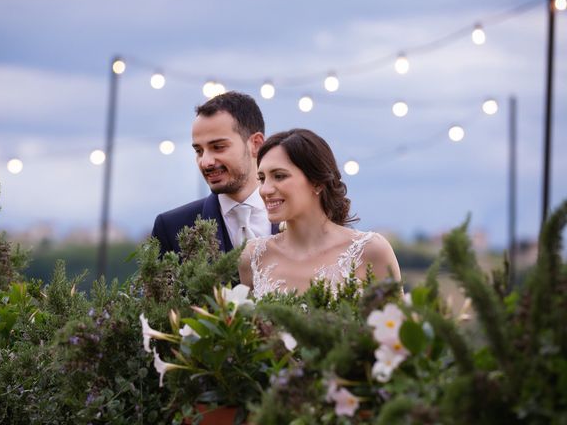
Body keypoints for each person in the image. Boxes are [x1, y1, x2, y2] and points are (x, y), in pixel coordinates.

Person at [239, 128, 401, 299]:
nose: (265, 190)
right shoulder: (253, 256)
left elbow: (396, 322)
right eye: (262, 178)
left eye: (279, 176)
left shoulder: (371, 251)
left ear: (317, 183)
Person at [152, 91, 278, 256]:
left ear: (256, 144)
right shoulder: (171, 227)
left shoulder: (298, 217)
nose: (206, 162)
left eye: (218, 147)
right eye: (199, 151)